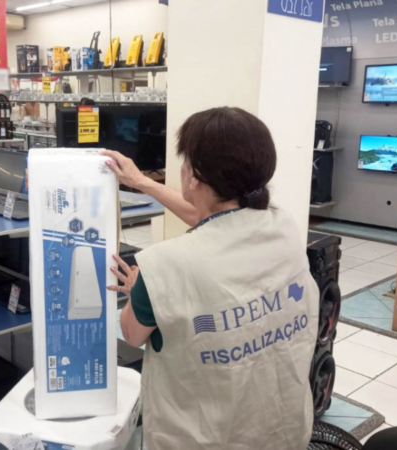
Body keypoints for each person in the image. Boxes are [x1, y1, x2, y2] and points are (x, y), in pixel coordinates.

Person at [102, 107, 319, 450]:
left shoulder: (164, 265)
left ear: (193, 176)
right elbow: (214, 218)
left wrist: (139, 290)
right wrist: (141, 182)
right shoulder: (284, 226)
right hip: (283, 431)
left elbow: (131, 333)